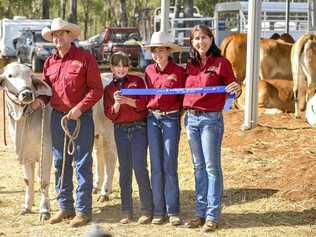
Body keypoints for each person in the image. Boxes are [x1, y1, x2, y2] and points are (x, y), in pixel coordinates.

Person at [32, 18, 103, 227]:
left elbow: (97, 89)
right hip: (58, 118)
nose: (58, 37)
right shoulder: (49, 62)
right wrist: (39, 100)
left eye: (62, 33)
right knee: (59, 162)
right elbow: (46, 91)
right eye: (55, 34)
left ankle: (83, 210)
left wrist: (80, 108)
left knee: (82, 163)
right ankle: (65, 207)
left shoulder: (85, 58)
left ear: (70, 36)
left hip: (82, 118)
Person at [183, 25, 241, 232]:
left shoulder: (221, 63)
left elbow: (233, 89)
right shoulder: (189, 65)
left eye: (204, 37)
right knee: (198, 168)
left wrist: (236, 90)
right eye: (196, 38)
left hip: (210, 121)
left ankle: (212, 216)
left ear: (211, 39)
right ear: (192, 42)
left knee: (211, 168)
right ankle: (200, 213)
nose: (201, 42)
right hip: (191, 120)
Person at [104, 51, 153, 225]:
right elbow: (109, 114)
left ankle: (147, 209)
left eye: (124, 65)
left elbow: (145, 104)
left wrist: (127, 101)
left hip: (139, 128)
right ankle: (126, 210)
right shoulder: (109, 89)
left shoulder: (137, 82)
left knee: (140, 167)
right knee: (124, 170)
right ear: (111, 68)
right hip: (120, 130)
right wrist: (117, 103)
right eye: (117, 65)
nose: (121, 69)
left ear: (128, 67)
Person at [143, 31, 185, 226]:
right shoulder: (148, 71)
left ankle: (173, 210)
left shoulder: (179, 72)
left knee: (169, 164)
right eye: (154, 51)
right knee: (156, 166)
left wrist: (176, 116)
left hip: (170, 119)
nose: (157, 54)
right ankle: (159, 211)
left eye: (161, 50)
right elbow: (144, 97)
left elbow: (184, 98)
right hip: (152, 119)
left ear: (169, 51)